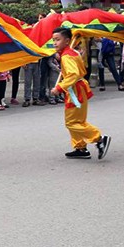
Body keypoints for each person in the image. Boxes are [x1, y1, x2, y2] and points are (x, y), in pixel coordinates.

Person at [50, 27, 111, 160]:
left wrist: (59, 87)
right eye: (54, 40)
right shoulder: (72, 52)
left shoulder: (67, 56)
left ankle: (99, 138)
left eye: (58, 40)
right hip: (78, 89)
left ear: (67, 41)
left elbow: (73, 74)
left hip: (75, 91)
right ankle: (80, 147)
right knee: (77, 120)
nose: (55, 43)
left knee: (71, 122)